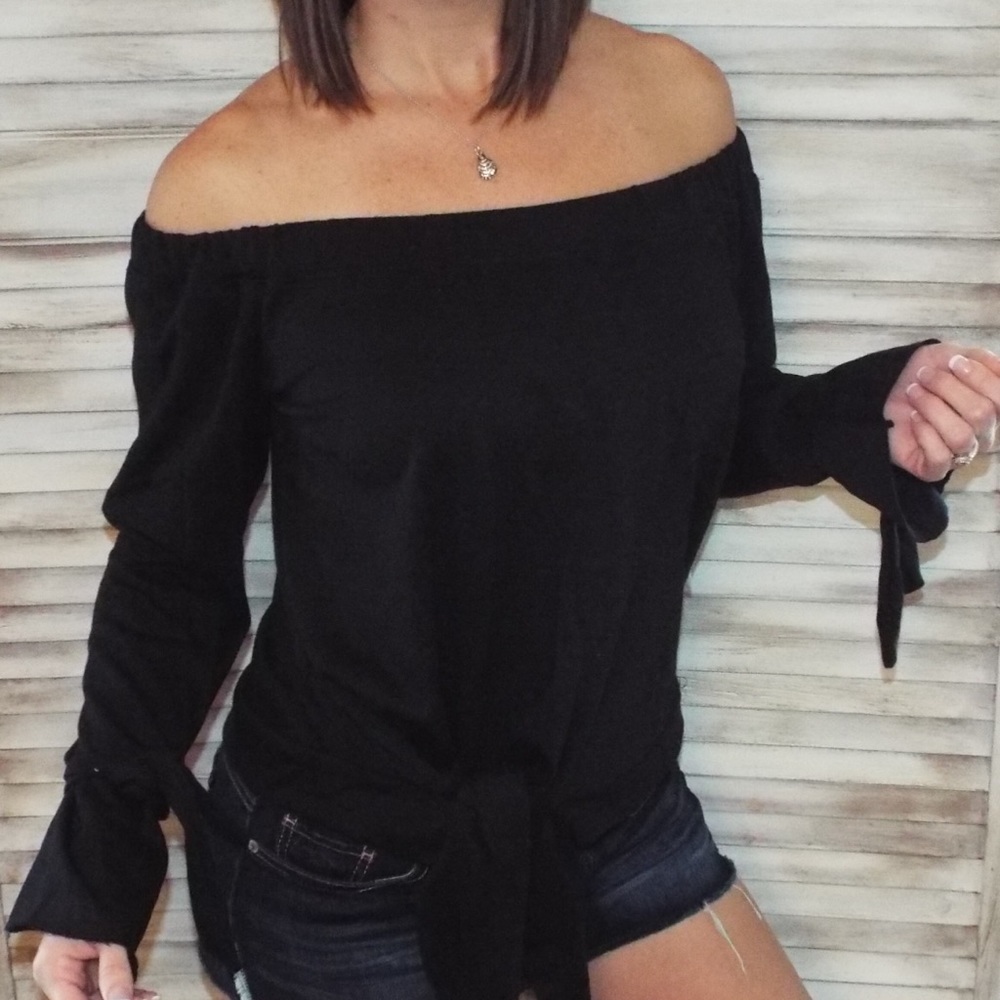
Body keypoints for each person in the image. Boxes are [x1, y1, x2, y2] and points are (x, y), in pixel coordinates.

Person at [8, 2, 999, 999]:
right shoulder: (230, 188)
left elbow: (715, 424)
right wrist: (96, 862)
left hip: (615, 809)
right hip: (337, 859)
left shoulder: (676, 104)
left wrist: (864, 412)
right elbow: (177, 561)